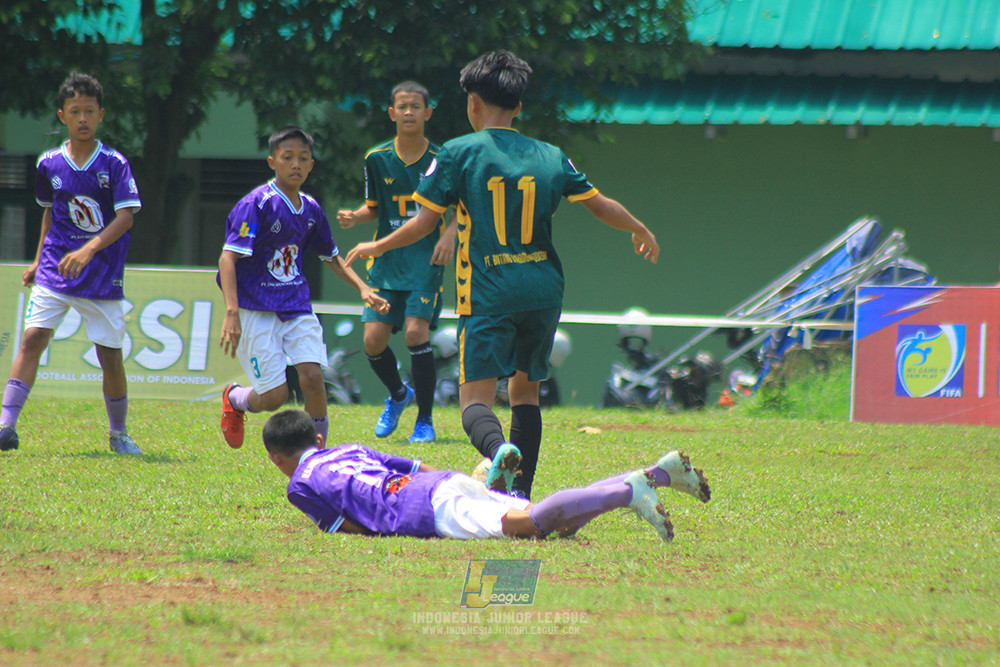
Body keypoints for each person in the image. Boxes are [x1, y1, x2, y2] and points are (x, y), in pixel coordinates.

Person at [345, 51, 660, 499]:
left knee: (474, 399)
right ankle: (518, 495)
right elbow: (598, 203)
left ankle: (497, 452)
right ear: (518, 106)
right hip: (543, 288)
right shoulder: (550, 154)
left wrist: (376, 244)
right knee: (525, 393)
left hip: (489, 289)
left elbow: (423, 223)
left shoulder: (457, 152)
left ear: (473, 103)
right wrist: (639, 227)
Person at [263, 409, 710, 540]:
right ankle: (655, 474)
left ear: (276, 458)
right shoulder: (347, 449)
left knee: (529, 528)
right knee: (554, 523)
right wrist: (467, 487)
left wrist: (383, 531)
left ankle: (628, 493)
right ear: (317, 441)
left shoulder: (298, 485)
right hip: (437, 485)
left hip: (421, 509)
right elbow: (421, 466)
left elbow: (349, 527)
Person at [217, 125, 389, 449]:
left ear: (311, 165)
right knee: (275, 396)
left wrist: (363, 289)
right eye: (288, 157)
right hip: (257, 308)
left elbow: (331, 256)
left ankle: (317, 455)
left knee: (312, 378)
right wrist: (232, 312)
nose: (296, 164)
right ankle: (236, 398)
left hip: (296, 304)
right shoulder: (257, 204)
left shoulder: (310, 208)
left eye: (303, 158)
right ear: (273, 162)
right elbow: (228, 260)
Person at [0, 72, 142, 455]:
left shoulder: (114, 163)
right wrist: (36, 261)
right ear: (62, 115)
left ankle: (118, 434)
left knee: (109, 356)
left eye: (90, 111)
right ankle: (5, 426)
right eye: (75, 111)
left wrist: (89, 250)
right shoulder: (48, 163)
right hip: (55, 268)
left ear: (101, 116)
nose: (83, 118)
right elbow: (51, 215)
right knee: (32, 339)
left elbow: (126, 216)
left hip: (101, 273)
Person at [337, 81, 457, 444]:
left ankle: (424, 419)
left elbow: (461, 209)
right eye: (402, 106)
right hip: (386, 264)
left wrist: (450, 234)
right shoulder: (376, 159)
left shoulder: (442, 158)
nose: (408, 112)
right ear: (391, 113)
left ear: (427, 113)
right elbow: (375, 208)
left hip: (425, 261)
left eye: (415, 106)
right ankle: (398, 394)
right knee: (373, 340)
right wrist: (356, 218)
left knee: (416, 332)